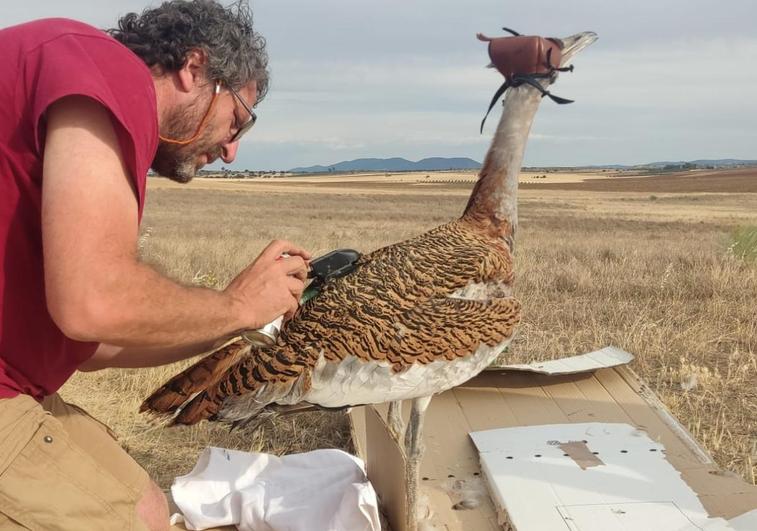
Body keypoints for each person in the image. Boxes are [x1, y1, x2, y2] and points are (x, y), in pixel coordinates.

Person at [0, 1, 310, 529]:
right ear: (194, 69)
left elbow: (95, 343)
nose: (233, 150)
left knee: (144, 504)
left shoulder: (74, 82)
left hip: (14, 379)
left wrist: (235, 319)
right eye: (239, 118)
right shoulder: (104, 69)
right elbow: (93, 304)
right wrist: (235, 303)